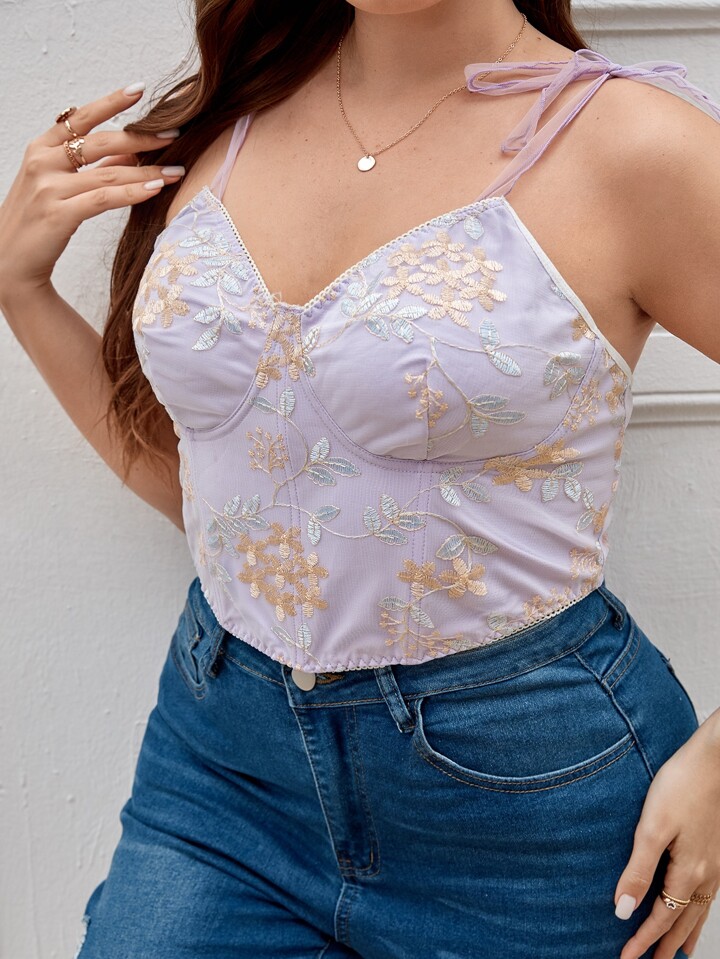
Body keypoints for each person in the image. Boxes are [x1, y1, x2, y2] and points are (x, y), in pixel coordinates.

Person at [1, 0, 719, 956]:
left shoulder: (633, 145)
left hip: (527, 799)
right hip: (223, 767)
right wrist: (21, 289)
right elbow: (220, 496)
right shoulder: (233, 116)